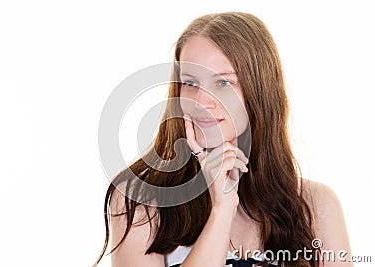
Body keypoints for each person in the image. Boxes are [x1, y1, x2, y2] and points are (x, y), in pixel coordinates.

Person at [94, 12, 352, 267]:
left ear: (259, 90)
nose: (201, 101)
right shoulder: (141, 201)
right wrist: (222, 209)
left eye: (223, 83)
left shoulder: (316, 205)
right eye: (191, 83)